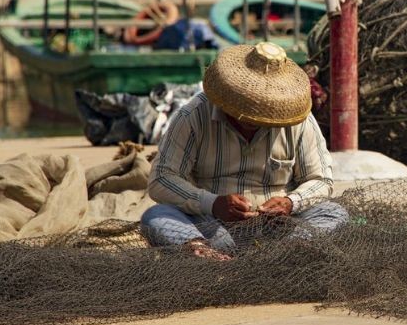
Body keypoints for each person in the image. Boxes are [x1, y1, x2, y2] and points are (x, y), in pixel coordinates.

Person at [141, 42, 348, 260]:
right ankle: (209, 258)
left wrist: (290, 202)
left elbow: (321, 180)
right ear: (229, 101)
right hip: (212, 230)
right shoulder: (193, 116)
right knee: (156, 217)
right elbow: (161, 179)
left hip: (283, 232)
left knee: (334, 213)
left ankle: (287, 254)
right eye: (248, 114)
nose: (255, 121)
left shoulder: (296, 118)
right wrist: (213, 204)